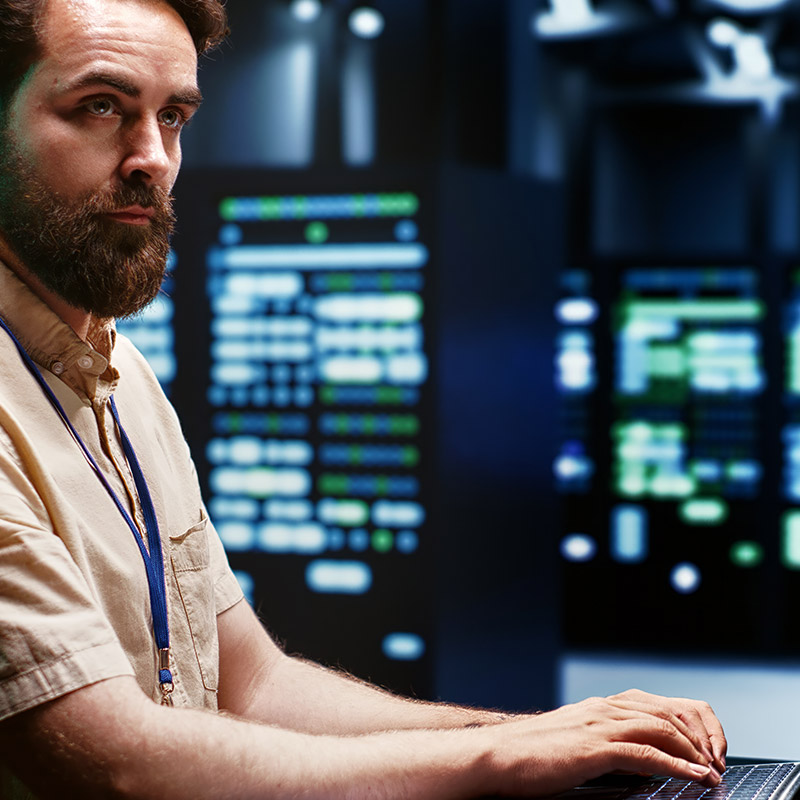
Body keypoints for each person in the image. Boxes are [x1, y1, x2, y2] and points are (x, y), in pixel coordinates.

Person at [0, 0, 727, 797]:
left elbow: (256, 685)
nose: (153, 158)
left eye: (172, 116)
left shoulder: (123, 376)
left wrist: (541, 734)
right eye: (100, 107)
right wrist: (495, 759)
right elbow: (119, 764)